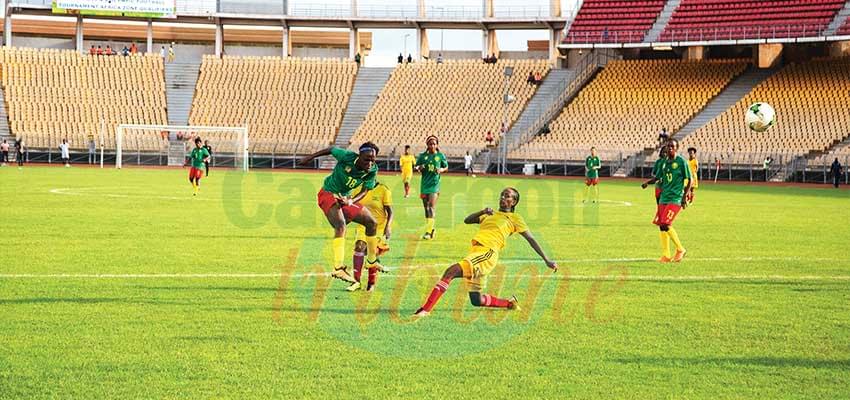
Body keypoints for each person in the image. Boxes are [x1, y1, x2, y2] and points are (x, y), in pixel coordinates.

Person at [413, 188, 558, 317]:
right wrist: (482, 211)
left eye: (507, 196)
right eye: (502, 195)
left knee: (450, 271)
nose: (502, 198)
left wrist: (547, 260)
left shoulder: (515, 219)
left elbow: (531, 239)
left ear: (514, 202)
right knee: (476, 300)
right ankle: (509, 304)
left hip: (487, 253)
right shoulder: (490, 214)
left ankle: (425, 310)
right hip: (476, 252)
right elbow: (467, 220)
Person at [298, 143, 384, 286]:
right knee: (340, 226)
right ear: (359, 156)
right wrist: (309, 158)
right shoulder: (347, 156)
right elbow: (330, 149)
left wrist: (350, 201)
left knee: (371, 222)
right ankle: (338, 268)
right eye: (367, 159)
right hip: (328, 193)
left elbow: (365, 190)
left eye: (373, 160)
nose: (370, 163)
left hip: (345, 197)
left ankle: (371, 260)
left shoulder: (372, 170)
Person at [347, 181, 393, 292]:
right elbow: (352, 207)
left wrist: (388, 227)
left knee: (372, 252)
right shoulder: (358, 189)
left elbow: (390, 212)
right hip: (363, 225)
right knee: (359, 247)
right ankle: (356, 281)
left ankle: (371, 283)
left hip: (379, 226)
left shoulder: (383, 190)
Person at [653, 139, 691, 263]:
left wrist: (684, 196)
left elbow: (689, 179)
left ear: (676, 148)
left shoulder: (681, 162)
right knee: (661, 226)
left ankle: (681, 249)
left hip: (675, 198)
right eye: (668, 146)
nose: (670, 148)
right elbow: (659, 177)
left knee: (665, 224)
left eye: (672, 146)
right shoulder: (664, 163)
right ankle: (666, 255)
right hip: (664, 198)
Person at [415, 135, 448, 240]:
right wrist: (419, 167)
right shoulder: (422, 156)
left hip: (434, 185)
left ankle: (428, 232)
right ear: (427, 145)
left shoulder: (440, 156)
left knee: (431, 207)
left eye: (434, 144)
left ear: (437, 145)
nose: (432, 145)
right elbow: (416, 166)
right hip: (424, 184)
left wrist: (441, 170)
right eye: (430, 144)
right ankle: (431, 228)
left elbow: (446, 167)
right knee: (426, 208)